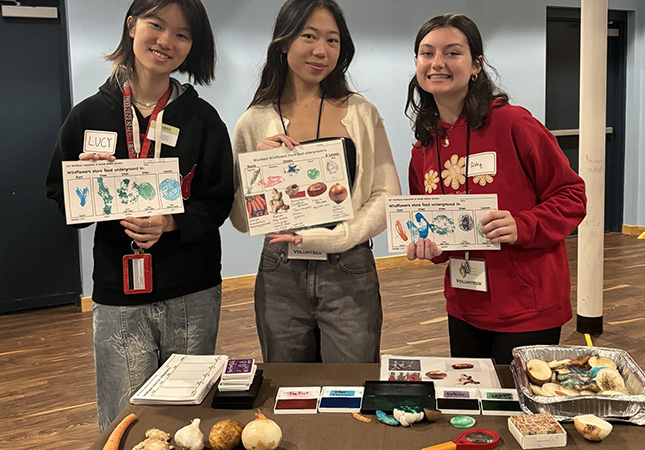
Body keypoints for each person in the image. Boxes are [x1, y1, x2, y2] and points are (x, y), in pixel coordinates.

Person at [45, 0, 233, 431]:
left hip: (193, 289)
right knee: (124, 420)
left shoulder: (202, 119)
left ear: (192, 46)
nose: (166, 41)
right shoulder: (89, 115)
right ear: (132, 26)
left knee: (189, 419)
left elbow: (219, 199)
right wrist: (86, 186)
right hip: (119, 293)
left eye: (183, 34)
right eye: (156, 25)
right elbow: (60, 198)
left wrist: (172, 221)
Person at [404, 14, 587, 364]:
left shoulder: (514, 123)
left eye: (452, 53)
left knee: (521, 414)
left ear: (476, 64)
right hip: (464, 303)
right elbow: (433, 230)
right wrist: (429, 246)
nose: (437, 63)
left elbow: (572, 195)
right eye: (427, 53)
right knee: (475, 407)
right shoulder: (423, 146)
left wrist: (522, 225)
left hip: (527, 306)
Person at [230, 0, 400, 363]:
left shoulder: (362, 113)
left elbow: (387, 197)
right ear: (284, 42)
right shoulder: (254, 121)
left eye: (333, 40)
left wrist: (339, 237)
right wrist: (258, 169)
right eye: (309, 36)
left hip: (349, 266)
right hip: (281, 271)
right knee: (289, 391)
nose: (321, 50)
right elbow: (244, 220)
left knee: (351, 390)